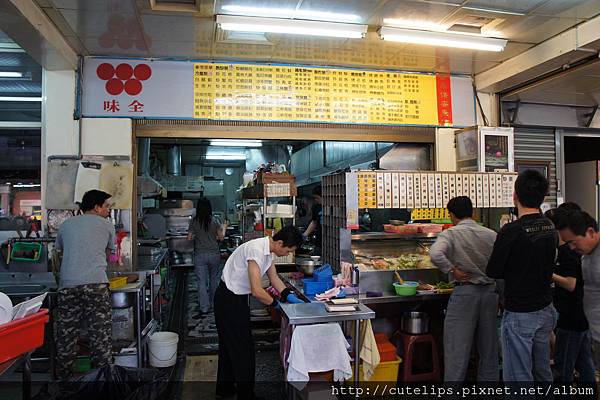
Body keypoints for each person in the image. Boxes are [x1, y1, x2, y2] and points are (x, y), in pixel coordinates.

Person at [214, 226, 304, 399]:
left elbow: (274, 278)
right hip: (229, 300)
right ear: (280, 243)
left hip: (233, 298)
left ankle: (225, 390)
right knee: (243, 350)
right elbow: (256, 290)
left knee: (229, 346)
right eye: (288, 250)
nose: (287, 254)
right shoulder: (256, 250)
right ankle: (246, 395)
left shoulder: (267, 250)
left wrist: (287, 295)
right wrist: (277, 305)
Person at [486, 170, 557, 383]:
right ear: (543, 197)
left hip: (520, 312)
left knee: (519, 377)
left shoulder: (511, 231)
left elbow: (493, 271)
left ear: (515, 195)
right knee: (542, 371)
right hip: (545, 309)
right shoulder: (550, 227)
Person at [429, 196, 499, 383]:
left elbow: (435, 253)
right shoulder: (491, 234)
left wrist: (452, 270)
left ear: (451, 215)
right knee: (489, 349)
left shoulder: (451, 234)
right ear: (473, 212)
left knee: (457, 350)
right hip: (490, 293)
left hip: (465, 294)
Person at [55, 190, 115, 379]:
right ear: (96, 207)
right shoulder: (106, 225)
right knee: (100, 337)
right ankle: (102, 381)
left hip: (68, 285)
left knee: (66, 336)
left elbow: (59, 252)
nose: (108, 210)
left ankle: (64, 383)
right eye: (106, 206)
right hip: (96, 285)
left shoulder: (65, 225)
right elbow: (108, 255)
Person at [545, 205, 596, 384]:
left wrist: (548, 274)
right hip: (581, 315)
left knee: (563, 366)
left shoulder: (568, 252)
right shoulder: (578, 251)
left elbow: (571, 284)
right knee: (585, 364)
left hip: (571, 317)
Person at [559, 209, 600, 370]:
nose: (571, 247)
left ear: (590, 232)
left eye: (573, 242)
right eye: (568, 243)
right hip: (595, 332)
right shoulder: (586, 256)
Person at [187, 197, 224, 318]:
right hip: (214, 254)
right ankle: (213, 304)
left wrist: (196, 236)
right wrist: (223, 229)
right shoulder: (215, 220)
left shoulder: (194, 221)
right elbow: (221, 238)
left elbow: (189, 238)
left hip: (200, 255)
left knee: (201, 282)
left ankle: (204, 307)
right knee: (214, 280)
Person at [303, 185, 322, 254]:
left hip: (331, 241)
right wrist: (305, 235)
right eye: (314, 198)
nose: (315, 200)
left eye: (317, 198)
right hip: (319, 242)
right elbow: (314, 222)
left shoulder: (334, 207)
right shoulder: (316, 207)